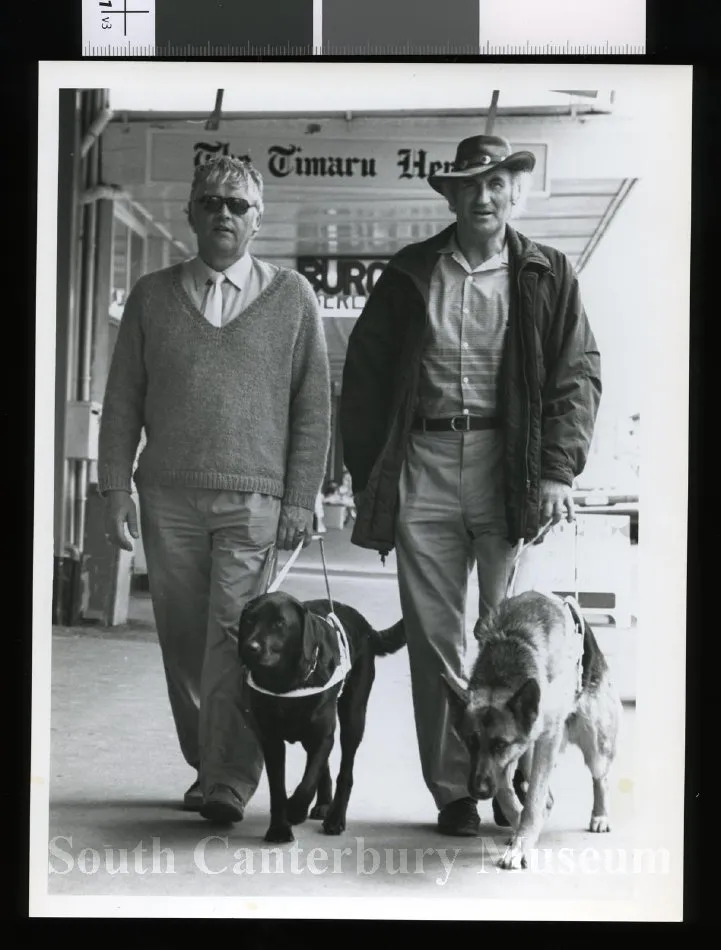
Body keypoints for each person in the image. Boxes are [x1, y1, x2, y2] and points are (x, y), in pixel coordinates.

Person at [339, 135, 601, 836]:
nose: (483, 197)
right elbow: (362, 379)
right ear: (449, 196)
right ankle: (456, 790)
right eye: (468, 185)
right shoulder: (408, 272)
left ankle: (512, 782)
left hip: (507, 468)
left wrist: (556, 470)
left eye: (497, 184)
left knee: (511, 641)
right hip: (423, 462)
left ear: (514, 191)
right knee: (434, 639)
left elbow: (576, 376)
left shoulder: (547, 272)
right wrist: (369, 477)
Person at [98, 155, 331, 823]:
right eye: (211, 202)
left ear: (257, 220)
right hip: (167, 496)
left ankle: (229, 777)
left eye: (238, 204)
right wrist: (115, 490)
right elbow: (122, 402)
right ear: (191, 214)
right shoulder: (150, 295)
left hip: (254, 502)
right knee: (180, 640)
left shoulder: (292, 297)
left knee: (235, 638)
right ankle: (207, 761)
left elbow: (314, 407)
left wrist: (297, 499)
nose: (224, 213)